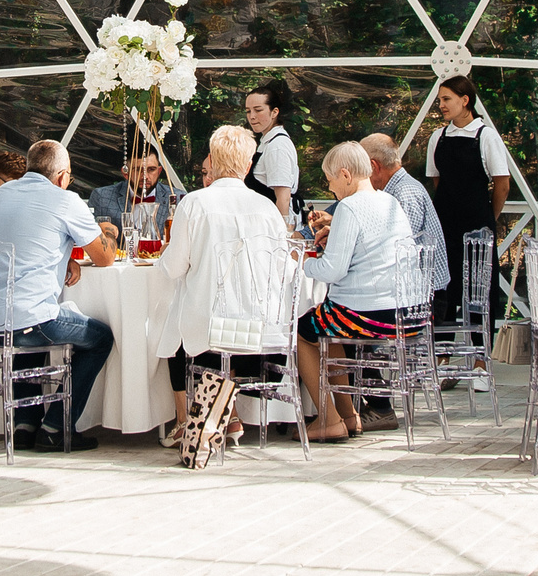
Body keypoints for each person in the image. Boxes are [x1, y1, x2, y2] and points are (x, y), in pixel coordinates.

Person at [0, 139, 115, 452]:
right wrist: (109, 232)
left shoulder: (2, 194)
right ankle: (56, 426)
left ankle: (24, 425)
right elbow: (105, 258)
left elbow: (23, 236)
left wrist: (64, 256)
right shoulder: (65, 200)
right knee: (100, 338)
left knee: (29, 324)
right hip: (28, 319)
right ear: (62, 177)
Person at [157, 126, 291, 440]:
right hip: (262, 331)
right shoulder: (267, 208)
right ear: (248, 165)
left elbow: (173, 269)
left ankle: (196, 423)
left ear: (214, 162)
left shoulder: (195, 204)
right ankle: (223, 418)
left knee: (171, 326)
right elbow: (283, 270)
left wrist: (164, 258)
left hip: (212, 331)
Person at [294, 141, 419, 442]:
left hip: (367, 314)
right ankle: (348, 416)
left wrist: (301, 263)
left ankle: (328, 417)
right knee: (325, 323)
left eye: (331, 180)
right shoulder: (390, 202)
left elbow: (333, 271)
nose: (330, 188)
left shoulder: (350, 206)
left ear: (346, 175)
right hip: (406, 313)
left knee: (302, 331)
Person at [424, 78, 510, 323]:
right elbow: (437, 180)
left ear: (465, 100)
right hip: (444, 226)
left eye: (447, 99)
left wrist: (487, 219)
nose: (441, 105)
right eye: (439, 100)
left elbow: (502, 185)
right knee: (444, 287)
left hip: (477, 225)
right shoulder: (437, 137)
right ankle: (442, 351)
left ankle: (480, 357)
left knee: (480, 287)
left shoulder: (486, 136)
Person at [360, 132, 448, 301]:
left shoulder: (405, 192)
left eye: (362, 171)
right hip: (408, 290)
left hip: (423, 296)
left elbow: (397, 245)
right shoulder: (395, 188)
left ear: (374, 166)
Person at [242, 82, 300, 225]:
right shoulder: (267, 142)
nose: (252, 117)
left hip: (272, 226)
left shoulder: (277, 146)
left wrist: (281, 234)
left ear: (274, 112)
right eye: (248, 111)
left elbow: (283, 197)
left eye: (258, 110)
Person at [89, 144, 173, 241]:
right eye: (138, 170)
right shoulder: (102, 197)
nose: (145, 176)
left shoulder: (176, 198)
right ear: (125, 173)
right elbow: (89, 237)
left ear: (159, 171)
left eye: (151, 169)